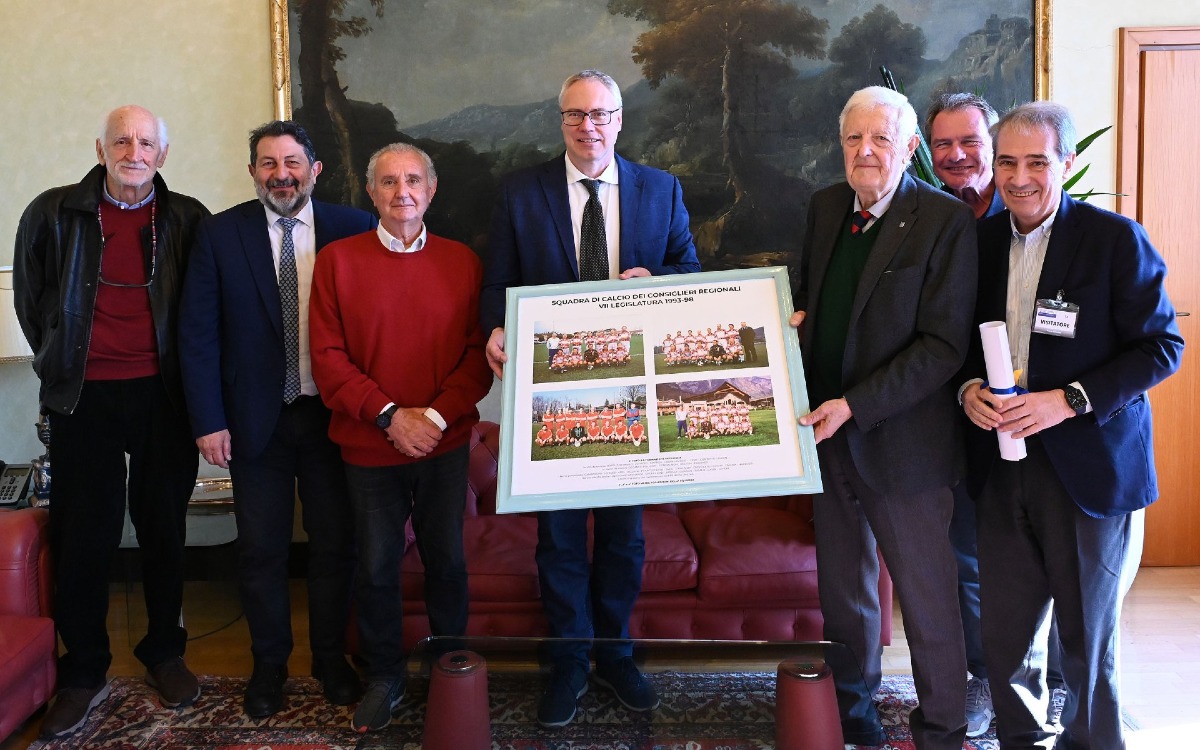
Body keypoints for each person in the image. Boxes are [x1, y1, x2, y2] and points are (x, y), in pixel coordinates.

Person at [481, 69, 700, 728]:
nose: (588, 126)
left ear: (620, 119)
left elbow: (689, 271)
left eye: (599, 114)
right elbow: (497, 283)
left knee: (624, 539)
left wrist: (655, 280)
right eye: (575, 115)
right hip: (552, 400)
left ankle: (615, 654)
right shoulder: (521, 193)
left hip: (633, 398)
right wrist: (494, 327)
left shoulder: (659, 190)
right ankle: (570, 659)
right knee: (559, 540)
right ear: (561, 122)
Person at [960, 101, 1183, 750]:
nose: (1019, 177)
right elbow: (955, 343)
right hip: (1001, 470)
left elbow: (1162, 347)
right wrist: (968, 388)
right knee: (1005, 640)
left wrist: (1072, 398)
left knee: (1087, 643)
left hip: (1087, 471)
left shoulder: (1114, 240)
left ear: (1068, 162)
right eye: (1007, 161)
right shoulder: (978, 243)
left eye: (1037, 161)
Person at [13, 105, 210, 739]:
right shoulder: (53, 212)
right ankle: (84, 670)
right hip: (84, 399)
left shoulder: (188, 219)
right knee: (84, 536)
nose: (134, 150)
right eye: (121, 139)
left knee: (163, 529)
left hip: (164, 397)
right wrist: (56, 361)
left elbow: (203, 311)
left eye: (146, 142)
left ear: (163, 155)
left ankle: (164, 651)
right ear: (100, 148)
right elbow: (30, 297)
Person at [790, 86, 976, 749]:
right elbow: (809, 297)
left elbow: (944, 346)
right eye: (852, 139)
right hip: (827, 440)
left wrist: (856, 405)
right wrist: (791, 328)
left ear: (909, 147)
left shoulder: (945, 221)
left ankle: (944, 727)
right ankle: (853, 714)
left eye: (880, 139)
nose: (864, 152)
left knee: (927, 603)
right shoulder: (824, 208)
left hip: (905, 445)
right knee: (844, 597)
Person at [178, 120, 375, 718]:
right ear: (253, 173)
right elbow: (198, 334)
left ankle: (328, 660)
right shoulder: (219, 234)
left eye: (292, 163)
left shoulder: (355, 229)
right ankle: (269, 666)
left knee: (334, 547)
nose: (280, 174)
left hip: (334, 419)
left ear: (314, 170)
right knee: (261, 551)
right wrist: (208, 420)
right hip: (252, 422)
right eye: (268, 164)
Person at [309, 143, 492, 734]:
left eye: (413, 180)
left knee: (447, 563)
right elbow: (328, 361)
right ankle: (383, 675)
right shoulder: (336, 262)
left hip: (445, 444)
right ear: (371, 193)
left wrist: (432, 419)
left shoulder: (464, 262)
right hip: (368, 446)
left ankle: (452, 668)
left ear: (432, 190)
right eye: (388, 182)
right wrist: (391, 417)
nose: (402, 192)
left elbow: (476, 357)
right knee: (378, 566)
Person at [926, 91, 1005, 738]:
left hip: (1037, 419)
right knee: (968, 560)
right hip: (956, 418)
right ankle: (982, 679)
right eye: (943, 144)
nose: (956, 156)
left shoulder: (1037, 209)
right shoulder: (923, 218)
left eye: (969, 142)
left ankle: (1058, 682)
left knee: (1054, 554)